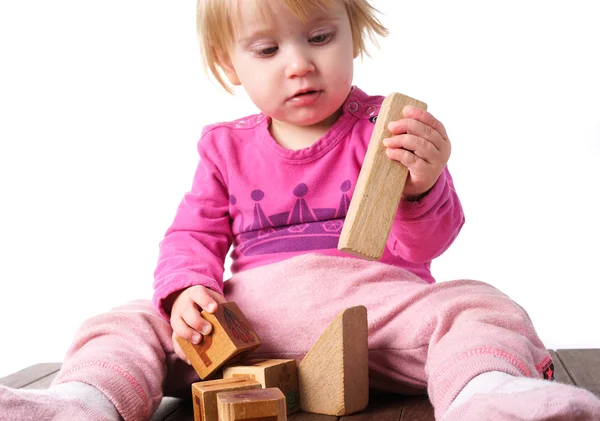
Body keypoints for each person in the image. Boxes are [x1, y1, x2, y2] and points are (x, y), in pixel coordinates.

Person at [2, 1, 599, 420]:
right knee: (128, 321)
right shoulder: (224, 146)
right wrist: (186, 292)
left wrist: (422, 185)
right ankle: (81, 402)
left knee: (479, 303)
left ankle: (489, 396)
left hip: (377, 310)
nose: (299, 64)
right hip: (247, 323)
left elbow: (426, 245)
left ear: (354, 31)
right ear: (228, 63)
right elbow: (191, 235)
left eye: (319, 38)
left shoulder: (384, 128)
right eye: (266, 49)